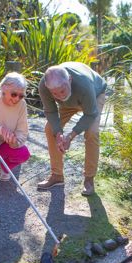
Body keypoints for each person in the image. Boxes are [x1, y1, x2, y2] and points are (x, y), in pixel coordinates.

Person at [37, 62, 107, 196]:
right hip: (69, 103)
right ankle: (57, 175)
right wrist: (58, 133)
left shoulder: (84, 85)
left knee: (92, 132)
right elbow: (50, 112)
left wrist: (70, 136)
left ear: (69, 79)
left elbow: (90, 114)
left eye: (62, 90)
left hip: (94, 95)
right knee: (49, 129)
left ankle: (89, 179)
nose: (59, 95)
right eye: (55, 93)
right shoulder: (44, 86)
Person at [0, 72, 31, 192]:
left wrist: (15, 142)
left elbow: (22, 131)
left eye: (21, 96)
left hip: (5, 145)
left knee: (24, 153)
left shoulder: (22, 105)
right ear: (4, 88)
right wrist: (0, 130)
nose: (17, 99)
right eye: (14, 94)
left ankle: (5, 168)